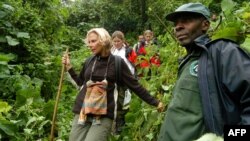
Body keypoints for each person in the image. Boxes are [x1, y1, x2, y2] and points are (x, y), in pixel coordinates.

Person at [158, 2, 250, 141]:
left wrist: (231, 136)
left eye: (186, 20)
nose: (178, 27)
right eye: (176, 23)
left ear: (205, 25)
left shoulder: (223, 52)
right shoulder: (187, 61)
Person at [62, 27, 164, 141]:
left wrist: (156, 102)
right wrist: (69, 68)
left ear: (103, 40)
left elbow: (135, 86)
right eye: (89, 42)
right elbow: (80, 83)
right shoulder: (90, 60)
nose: (89, 45)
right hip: (83, 111)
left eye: (93, 41)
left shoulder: (117, 63)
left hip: (104, 114)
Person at [110, 30, 137, 134]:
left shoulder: (128, 51)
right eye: (114, 41)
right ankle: (116, 124)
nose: (116, 43)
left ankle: (121, 125)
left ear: (123, 40)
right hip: (115, 81)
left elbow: (134, 64)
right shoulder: (112, 51)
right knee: (115, 102)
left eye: (118, 41)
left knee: (124, 102)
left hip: (126, 81)